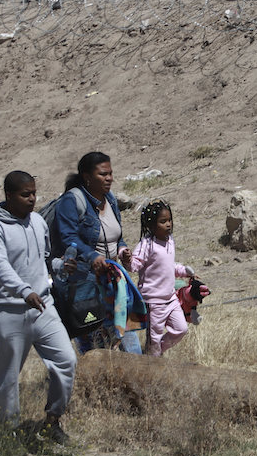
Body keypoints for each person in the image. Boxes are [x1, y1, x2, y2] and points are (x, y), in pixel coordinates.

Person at [0, 170, 75, 444]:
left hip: (43, 307)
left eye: (34, 193)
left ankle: (52, 421)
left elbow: (43, 259)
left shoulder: (37, 222)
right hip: (9, 311)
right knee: (9, 377)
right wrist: (24, 291)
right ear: (9, 195)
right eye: (25, 194)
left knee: (66, 361)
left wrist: (59, 267)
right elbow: (1, 267)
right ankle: (8, 434)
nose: (32, 199)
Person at [52, 151, 141, 353]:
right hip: (86, 283)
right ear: (86, 176)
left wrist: (122, 249)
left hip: (113, 283)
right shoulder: (71, 201)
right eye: (102, 174)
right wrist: (92, 256)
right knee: (92, 342)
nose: (109, 178)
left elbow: (116, 235)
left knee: (127, 336)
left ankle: (134, 377)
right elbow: (68, 238)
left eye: (110, 173)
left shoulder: (110, 199)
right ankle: (93, 380)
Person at [130, 199, 206, 356]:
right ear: (151, 226)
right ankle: (153, 359)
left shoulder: (170, 241)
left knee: (181, 328)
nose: (168, 224)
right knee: (154, 337)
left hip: (171, 298)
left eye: (169, 220)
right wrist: (126, 258)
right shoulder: (147, 244)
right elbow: (134, 266)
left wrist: (185, 271)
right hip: (154, 302)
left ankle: (154, 353)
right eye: (163, 221)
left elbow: (169, 267)